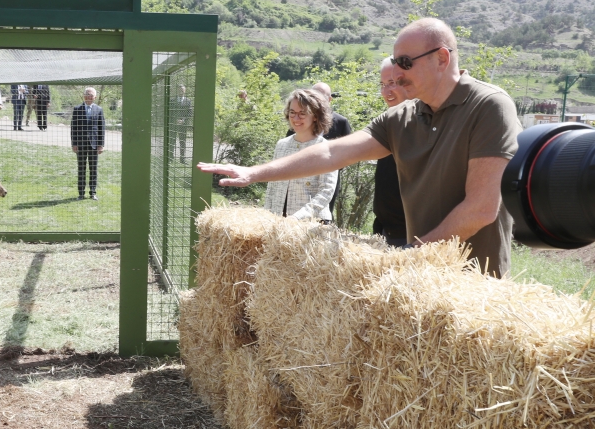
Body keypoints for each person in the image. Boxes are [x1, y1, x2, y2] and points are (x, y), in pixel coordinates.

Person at [199, 17, 520, 278]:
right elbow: (331, 152)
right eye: (395, 62)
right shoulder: (403, 116)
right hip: (420, 278)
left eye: (405, 63)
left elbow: (480, 208)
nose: (396, 73)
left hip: (474, 283)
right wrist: (254, 173)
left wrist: (410, 255)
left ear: (442, 58)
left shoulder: (489, 106)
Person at [263, 89, 337, 222]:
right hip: (279, 221)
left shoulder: (327, 149)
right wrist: (266, 216)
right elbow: (272, 186)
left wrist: (297, 217)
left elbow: (326, 191)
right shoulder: (281, 145)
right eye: (292, 112)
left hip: (313, 223)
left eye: (302, 113)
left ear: (315, 116)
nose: (296, 118)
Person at [284, 82, 352, 220]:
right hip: (296, 183)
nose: (317, 98)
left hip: (326, 178)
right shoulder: (298, 121)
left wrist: (329, 166)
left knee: (321, 214)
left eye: (321, 96)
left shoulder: (341, 122)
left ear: (330, 99)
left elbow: (348, 153)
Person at [373, 58, 409, 247]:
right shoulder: (388, 122)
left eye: (392, 83)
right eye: (382, 84)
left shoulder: (425, 125)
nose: (386, 92)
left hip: (414, 238)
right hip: (385, 231)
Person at [71, 87, 105, 200]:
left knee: (93, 169)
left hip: (94, 145)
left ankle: (93, 193)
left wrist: (101, 145)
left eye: (91, 95)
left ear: (95, 97)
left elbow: (101, 128)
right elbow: (73, 128)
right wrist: (74, 144)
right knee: (81, 169)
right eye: (87, 94)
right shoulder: (77, 109)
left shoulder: (99, 110)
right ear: (84, 96)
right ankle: (81, 194)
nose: (89, 97)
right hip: (80, 144)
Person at [171, 84, 193, 161]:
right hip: (173, 125)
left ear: (184, 91)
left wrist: (183, 120)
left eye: (182, 90)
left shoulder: (188, 101)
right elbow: (170, 112)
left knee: (182, 142)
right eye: (179, 90)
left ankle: (182, 159)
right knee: (172, 141)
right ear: (177, 90)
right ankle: (170, 157)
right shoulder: (172, 101)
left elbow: (190, 113)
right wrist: (175, 120)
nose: (181, 91)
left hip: (183, 125)